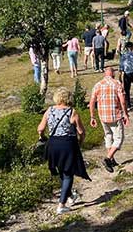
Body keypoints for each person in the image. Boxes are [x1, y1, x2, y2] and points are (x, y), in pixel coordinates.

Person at [37, 87, 90, 215]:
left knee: (62, 171)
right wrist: (80, 142)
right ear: (68, 98)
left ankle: (70, 195)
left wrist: (42, 137)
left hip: (53, 144)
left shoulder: (49, 110)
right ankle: (61, 205)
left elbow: (40, 128)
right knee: (68, 174)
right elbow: (81, 132)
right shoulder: (72, 112)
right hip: (68, 144)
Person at [89, 67, 130, 173]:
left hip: (103, 116)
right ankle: (107, 158)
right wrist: (125, 114)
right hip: (115, 115)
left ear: (105, 74)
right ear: (113, 74)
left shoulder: (98, 85)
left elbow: (92, 102)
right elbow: (122, 100)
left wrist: (92, 116)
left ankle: (111, 160)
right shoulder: (117, 84)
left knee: (108, 136)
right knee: (119, 138)